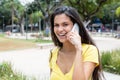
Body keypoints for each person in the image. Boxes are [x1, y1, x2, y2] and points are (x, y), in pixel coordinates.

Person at [49, 6, 104, 80]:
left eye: (65, 24)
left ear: (76, 26)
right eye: (56, 25)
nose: (60, 29)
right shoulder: (54, 53)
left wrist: (78, 49)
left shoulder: (90, 50)